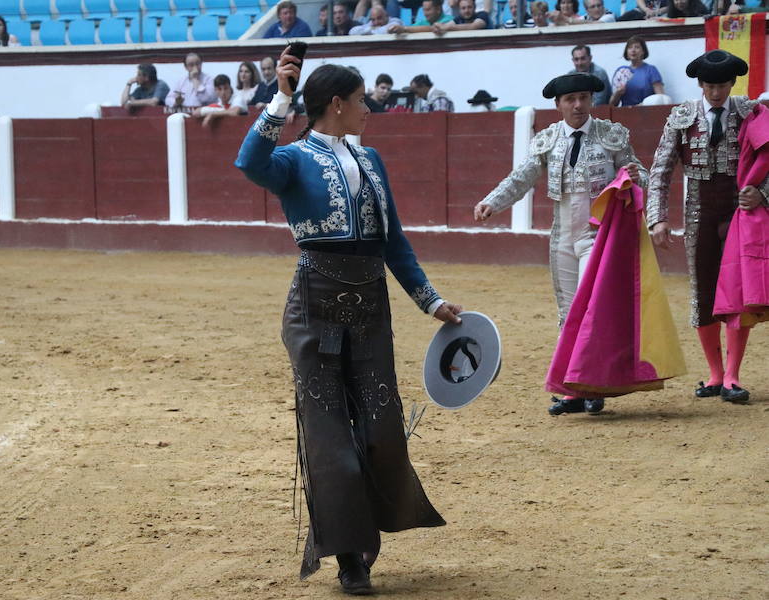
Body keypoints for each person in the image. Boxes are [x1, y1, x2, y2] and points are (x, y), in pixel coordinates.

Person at [235, 47, 461, 596]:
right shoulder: (291, 158)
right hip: (314, 305)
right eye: (361, 101)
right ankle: (348, 558)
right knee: (330, 434)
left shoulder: (372, 159)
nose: (369, 110)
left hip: (370, 304)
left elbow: (393, 241)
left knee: (382, 430)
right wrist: (281, 97)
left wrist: (429, 300)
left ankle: (363, 538)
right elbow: (249, 161)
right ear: (336, 104)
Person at [474, 72, 647, 416]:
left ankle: (594, 384)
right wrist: (493, 201)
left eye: (583, 97)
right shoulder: (548, 139)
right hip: (563, 237)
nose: (578, 105)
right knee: (568, 315)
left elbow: (636, 169)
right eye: (570, 99)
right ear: (558, 105)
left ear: (591, 100)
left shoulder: (610, 136)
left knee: (592, 312)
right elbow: (521, 177)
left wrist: (634, 176)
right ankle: (573, 389)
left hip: (598, 237)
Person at [647, 50, 765, 404]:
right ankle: (714, 373)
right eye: (711, 86)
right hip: (698, 213)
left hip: (738, 213)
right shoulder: (681, 118)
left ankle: (732, 375)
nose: (716, 92)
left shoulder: (749, 114)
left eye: (723, 85)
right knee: (703, 293)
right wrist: (657, 217)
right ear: (701, 84)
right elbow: (660, 170)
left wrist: (762, 193)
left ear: (732, 83)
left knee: (736, 293)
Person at [609, 36, 664, 107]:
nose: (633, 50)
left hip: (647, 111)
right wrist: (618, 93)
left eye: (637, 47)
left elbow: (661, 98)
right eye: (630, 47)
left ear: (643, 51)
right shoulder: (621, 72)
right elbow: (612, 104)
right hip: (625, 113)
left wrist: (644, 104)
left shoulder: (651, 70)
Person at [388, 0, 453, 33]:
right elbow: (410, 28)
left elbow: (433, 28)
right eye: (424, 10)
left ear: (438, 9)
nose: (425, 14)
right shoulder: (422, 22)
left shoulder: (449, 20)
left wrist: (404, 29)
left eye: (428, 10)